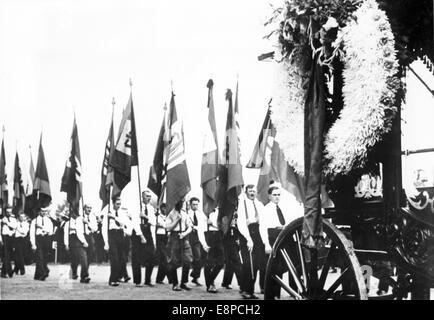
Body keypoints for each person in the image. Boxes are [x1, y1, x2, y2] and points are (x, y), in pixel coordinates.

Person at [259, 185, 301, 298]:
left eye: (278, 195)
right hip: (273, 238)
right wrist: (266, 244)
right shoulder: (265, 209)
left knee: (294, 264)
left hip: (285, 236)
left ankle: (295, 291)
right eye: (274, 195)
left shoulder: (284, 207)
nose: (277, 197)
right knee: (276, 268)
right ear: (269, 196)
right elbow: (262, 228)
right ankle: (275, 294)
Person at [236, 184, 266, 299]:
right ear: (246, 192)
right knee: (249, 264)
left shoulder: (259, 204)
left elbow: (263, 221)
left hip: (258, 234)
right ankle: (248, 291)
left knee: (257, 264)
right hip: (247, 235)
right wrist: (248, 239)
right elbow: (241, 223)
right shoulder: (243, 204)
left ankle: (245, 288)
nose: (252, 193)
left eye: (254, 191)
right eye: (250, 191)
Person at [165, 198, 193, 291]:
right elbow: (168, 228)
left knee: (187, 260)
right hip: (174, 236)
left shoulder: (185, 213)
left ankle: (184, 282)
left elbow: (190, 227)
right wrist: (176, 220)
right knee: (174, 261)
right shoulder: (170, 214)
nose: (181, 203)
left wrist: (184, 234)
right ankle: (175, 283)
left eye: (182, 202)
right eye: (179, 202)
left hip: (183, 236)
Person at [102, 196, 131, 286]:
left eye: (120, 204)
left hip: (120, 234)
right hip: (112, 235)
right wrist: (106, 242)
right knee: (114, 258)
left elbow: (123, 223)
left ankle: (118, 277)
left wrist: (114, 217)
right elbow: (104, 228)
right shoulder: (107, 212)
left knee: (121, 259)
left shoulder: (122, 213)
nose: (119, 205)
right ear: (113, 203)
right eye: (117, 204)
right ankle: (112, 280)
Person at [131, 189, 156, 287]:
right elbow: (135, 222)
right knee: (136, 257)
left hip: (148, 231)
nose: (148, 198)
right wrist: (140, 235)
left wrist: (145, 216)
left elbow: (153, 222)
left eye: (150, 196)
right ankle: (137, 281)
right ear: (142, 197)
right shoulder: (137, 207)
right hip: (138, 232)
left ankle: (148, 279)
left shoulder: (150, 208)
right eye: (146, 196)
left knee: (151, 256)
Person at [197, 206, 224, 294]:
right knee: (209, 263)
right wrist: (204, 244)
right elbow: (200, 229)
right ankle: (210, 285)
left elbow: (223, 226)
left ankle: (211, 280)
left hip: (219, 236)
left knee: (221, 263)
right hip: (208, 236)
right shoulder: (204, 212)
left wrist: (213, 223)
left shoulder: (221, 211)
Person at [64, 206, 90, 283]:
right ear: (71, 213)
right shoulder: (68, 223)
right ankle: (74, 273)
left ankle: (84, 276)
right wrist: (66, 244)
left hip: (80, 240)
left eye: (77, 214)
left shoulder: (80, 221)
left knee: (83, 258)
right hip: (72, 240)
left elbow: (81, 231)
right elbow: (66, 234)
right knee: (74, 259)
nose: (76, 215)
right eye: (74, 213)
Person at [30, 206, 54, 281]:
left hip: (46, 239)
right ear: (39, 211)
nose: (43, 213)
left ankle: (39, 274)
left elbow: (50, 231)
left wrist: (41, 227)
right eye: (42, 211)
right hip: (38, 239)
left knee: (44, 257)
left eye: (45, 211)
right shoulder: (35, 221)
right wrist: (33, 244)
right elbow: (32, 233)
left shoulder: (48, 220)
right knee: (39, 257)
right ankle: (42, 273)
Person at [184, 197, 203, 286]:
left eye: (196, 204)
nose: (195, 206)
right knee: (187, 259)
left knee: (198, 257)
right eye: (193, 204)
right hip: (188, 236)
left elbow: (202, 225)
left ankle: (195, 277)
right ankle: (184, 281)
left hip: (197, 237)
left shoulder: (200, 214)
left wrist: (196, 227)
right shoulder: (187, 213)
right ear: (190, 204)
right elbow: (188, 225)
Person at [221, 212, 243, 290]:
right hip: (227, 245)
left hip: (234, 245)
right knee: (237, 262)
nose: (234, 220)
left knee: (230, 263)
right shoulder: (227, 225)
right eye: (233, 218)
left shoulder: (235, 226)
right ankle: (242, 283)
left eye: (234, 219)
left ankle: (226, 282)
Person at [1, 205, 17, 278]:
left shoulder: (13, 219)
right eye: (7, 212)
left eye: (10, 212)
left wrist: (7, 223)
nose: (9, 213)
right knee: (6, 255)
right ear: (5, 212)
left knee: (9, 255)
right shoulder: (1, 220)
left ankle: (6, 272)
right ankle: (7, 272)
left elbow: (14, 227)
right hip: (5, 237)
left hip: (11, 237)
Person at [155, 203, 169, 284]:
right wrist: (165, 225)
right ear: (161, 208)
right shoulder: (157, 216)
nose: (165, 210)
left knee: (165, 258)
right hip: (159, 237)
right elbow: (156, 224)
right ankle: (170, 277)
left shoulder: (168, 217)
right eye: (164, 208)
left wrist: (164, 225)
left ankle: (159, 278)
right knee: (163, 257)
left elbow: (168, 226)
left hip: (166, 236)